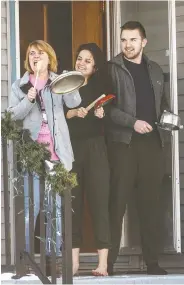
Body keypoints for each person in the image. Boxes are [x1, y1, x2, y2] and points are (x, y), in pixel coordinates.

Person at [106, 21, 170, 275]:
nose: (127, 45)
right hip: (125, 145)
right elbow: (107, 109)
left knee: (151, 205)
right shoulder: (111, 69)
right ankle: (107, 263)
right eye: (124, 40)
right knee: (117, 203)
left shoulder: (155, 70)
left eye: (133, 40)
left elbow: (161, 105)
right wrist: (133, 123)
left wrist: (168, 121)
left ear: (144, 42)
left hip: (153, 145)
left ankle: (152, 263)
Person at [8, 40, 81, 259]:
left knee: (56, 208)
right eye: (31, 53)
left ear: (50, 57)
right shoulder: (20, 85)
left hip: (57, 155)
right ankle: (26, 258)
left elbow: (74, 102)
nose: (35, 57)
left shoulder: (56, 81)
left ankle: (52, 259)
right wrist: (29, 99)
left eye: (40, 53)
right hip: (32, 156)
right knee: (32, 207)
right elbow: (11, 116)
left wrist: (69, 81)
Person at [65, 43, 111, 276]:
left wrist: (101, 112)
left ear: (95, 66)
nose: (81, 63)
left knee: (99, 202)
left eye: (88, 60)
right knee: (73, 203)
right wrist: (72, 112)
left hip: (96, 147)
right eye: (79, 58)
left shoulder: (101, 86)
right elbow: (56, 115)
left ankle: (102, 264)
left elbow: (109, 114)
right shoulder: (65, 84)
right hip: (71, 148)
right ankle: (73, 263)